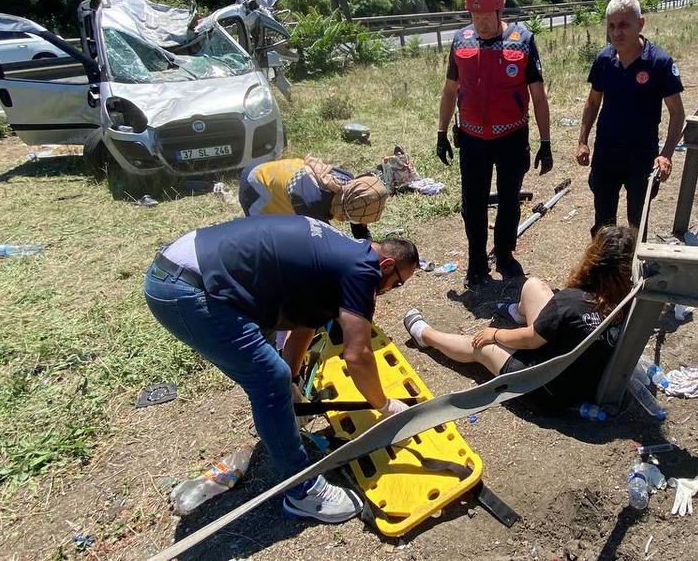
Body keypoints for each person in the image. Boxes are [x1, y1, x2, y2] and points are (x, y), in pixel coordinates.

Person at [143, 216, 419, 523]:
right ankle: (303, 491)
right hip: (188, 289)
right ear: (387, 264)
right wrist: (383, 404)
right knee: (268, 377)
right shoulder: (362, 270)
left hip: (184, 269)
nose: (392, 289)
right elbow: (358, 355)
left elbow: (304, 323)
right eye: (398, 282)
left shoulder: (339, 254)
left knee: (277, 370)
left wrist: (293, 382)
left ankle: (282, 412)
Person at [400, 225, 635, 408]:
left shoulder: (569, 301)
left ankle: (425, 335)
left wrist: (495, 333)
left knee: (481, 346)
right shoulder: (630, 301)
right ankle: (517, 312)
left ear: (592, 260)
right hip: (588, 375)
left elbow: (530, 340)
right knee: (534, 286)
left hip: (548, 389)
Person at [436, 0, 553, 288]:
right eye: (476, 16)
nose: (482, 23)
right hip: (473, 139)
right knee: (472, 203)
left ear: (500, 11)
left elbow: (539, 96)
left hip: (511, 137)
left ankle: (504, 253)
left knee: (509, 200)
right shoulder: (461, 40)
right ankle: (476, 262)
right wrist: (441, 132)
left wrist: (545, 141)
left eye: (487, 16)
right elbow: (449, 91)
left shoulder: (523, 40)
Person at [575, 0, 685, 235]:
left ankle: (635, 268)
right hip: (607, 151)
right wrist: (583, 141)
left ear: (641, 24)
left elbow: (677, 113)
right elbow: (593, 102)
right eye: (612, 26)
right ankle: (605, 268)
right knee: (604, 222)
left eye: (624, 25)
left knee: (638, 219)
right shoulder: (604, 59)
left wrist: (666, 155)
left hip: (642, 154)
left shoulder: (659, 62)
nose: (616, 33)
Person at [238, 156, 389, 240]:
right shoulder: (312, 204)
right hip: (255, 186)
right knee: (272, 239)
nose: (362, 222)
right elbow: (323, 244)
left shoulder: (349, 186)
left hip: (276, 173)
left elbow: (359, 224)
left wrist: (367, 244)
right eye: (361, 219)